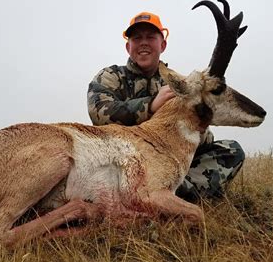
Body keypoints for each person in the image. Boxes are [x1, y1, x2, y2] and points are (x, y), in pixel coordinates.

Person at [87, 11, 245, 203]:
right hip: (121, 159)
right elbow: (99, 113)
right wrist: (150, 105)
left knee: (231, 150)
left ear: (162, 45)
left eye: (151, 37)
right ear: (128, 47)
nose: (143, 42)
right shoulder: (110, 76)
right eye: (137, 38)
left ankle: (169, 193)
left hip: (168, 161)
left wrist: (200, 126)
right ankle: (154, 195)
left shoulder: (180, 84)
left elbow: (202, 138)